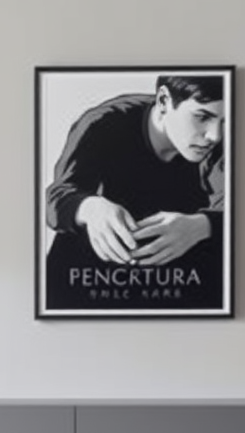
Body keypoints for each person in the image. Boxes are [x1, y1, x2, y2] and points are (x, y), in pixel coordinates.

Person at [43, 72, 226, 313]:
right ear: (163, 102)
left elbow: (236, 209)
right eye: (202, 117)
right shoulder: (103, 123)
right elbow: (56, 197)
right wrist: (89, 208)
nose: (215, 135)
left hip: (182, 290)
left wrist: (202, 225)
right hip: (87, 286)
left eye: (225, 121)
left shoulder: (221, 142)